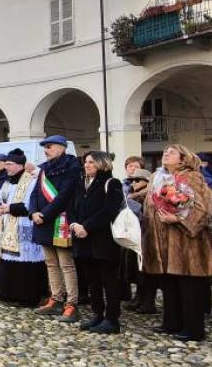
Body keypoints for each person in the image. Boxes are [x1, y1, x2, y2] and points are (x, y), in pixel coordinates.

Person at [143, 144, 212, 342]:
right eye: (165, 151)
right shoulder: (156, 177)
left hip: (187, 241)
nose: (166, 153)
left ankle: (193, 329)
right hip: (162, 238)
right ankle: (171, 322)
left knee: (189, 286)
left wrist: (179, 220)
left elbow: (203, 207)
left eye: (172, 152)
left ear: (183, 159)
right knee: (169, 283)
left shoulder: (192, 177)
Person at [10, 135, 82, 322]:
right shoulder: (44, 168)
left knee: (66, 264)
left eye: (49, 146)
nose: (46, 150)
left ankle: (71, 303)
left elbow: (65, 196)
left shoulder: (73, 167)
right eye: (45, 147)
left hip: (60, 220)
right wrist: (33, 212)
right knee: (50, 263)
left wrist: (45, 214)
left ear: (61, 148)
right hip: (41, 220)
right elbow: (34, 193)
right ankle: (56, 298)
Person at [69, 151, 126, 334]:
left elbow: (109, 210)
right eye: (85, 162)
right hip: (83, 239)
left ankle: (112, 319)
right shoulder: (81, 184)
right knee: (92, 280)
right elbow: (72, 207)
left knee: (108, 280)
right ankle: (97, 314)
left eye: (92, 162)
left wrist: (87, 227)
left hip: (103, 240)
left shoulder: (112, 183)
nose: (87, 165)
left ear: (102, 164)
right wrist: (75, 224)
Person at [0, 149, 50, 306]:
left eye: (10, 164)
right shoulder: (6, 182)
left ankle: (27, 297)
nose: (7, 167)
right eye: (7, 164)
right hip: (8, 228)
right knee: (8, 261)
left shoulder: (30, 181)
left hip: (24, 225)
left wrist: (9, 208)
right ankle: (8, 294)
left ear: (20, 165)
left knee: (25, 264)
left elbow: (30, 205)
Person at [123, 168, 157, 313]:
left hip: (147, 238)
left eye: (138, 180)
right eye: (132, 180)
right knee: (137, 271)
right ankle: (139, 298)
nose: (134, 183)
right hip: (135, 238)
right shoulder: (132, 196)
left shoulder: (148, 196)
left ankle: (148, 302)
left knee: (147, 272)